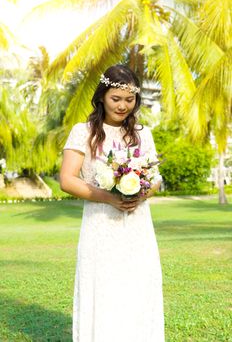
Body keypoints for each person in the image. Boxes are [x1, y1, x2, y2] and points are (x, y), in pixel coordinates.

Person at [60, 64, 165, 342]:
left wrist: (141, 193)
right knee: (104, 286)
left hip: (137, 226)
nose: (122, 106)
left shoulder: (144, 134)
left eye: (129, 100)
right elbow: (67, 180)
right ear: (102, 97)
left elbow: (155, 178)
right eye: (115, 99)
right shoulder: (83, 132)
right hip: (100, 224)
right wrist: (110, 198)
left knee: (137, 286)